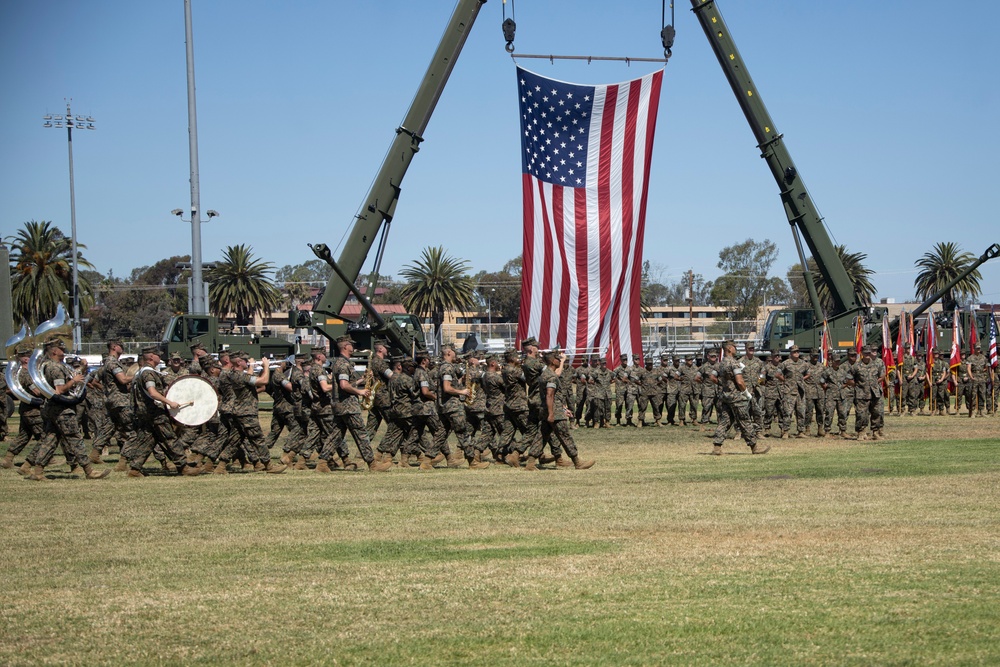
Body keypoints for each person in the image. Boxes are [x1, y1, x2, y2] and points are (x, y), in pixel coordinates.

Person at [122, 345, 199, 477]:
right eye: (158, 355)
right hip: (154, 412)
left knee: (147, 440)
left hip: (144, 413)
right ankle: (183, 466)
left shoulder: (140, 372)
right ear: (152, 357)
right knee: (169, 438)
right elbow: (152, 392)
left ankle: (135, 469)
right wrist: (169, 402)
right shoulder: (148, 373)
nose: (160, 357)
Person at [526, 349, 595, 470]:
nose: (560, 360)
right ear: (553, 361)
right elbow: (550, 395)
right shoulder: (551, 376)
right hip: (554, 412)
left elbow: (552, 396)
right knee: (565, 436)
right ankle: (577, 462)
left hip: (548, 410)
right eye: (558, 359)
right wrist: (552, 413)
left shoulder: (544, 375)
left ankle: (530, 463)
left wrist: (563, 409)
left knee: (541, 436)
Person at [329, 335, 384, 471]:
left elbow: (346, 384)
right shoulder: (343, 364)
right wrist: (360, 392)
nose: (353, 347)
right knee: (361, 433)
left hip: (340, 405)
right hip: (348, 406)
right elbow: (344, 385)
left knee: (336, 436)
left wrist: (362, 380)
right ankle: (372, 463)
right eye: (351, 345)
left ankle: (322, 463)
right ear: (345, 347)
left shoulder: (339, 362)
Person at [710, 340, 769, 456]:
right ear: (729, 349)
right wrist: (746, 393)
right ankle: (754, 447)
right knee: (745, 421)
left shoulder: (721, 363)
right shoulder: (735, 363)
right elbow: (740, 381)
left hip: (726, 396)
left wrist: (724, 385)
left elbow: (712, 376)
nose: (736, 349)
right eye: (734, 347)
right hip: (737, 397)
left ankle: (717, 447)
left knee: (724, 421)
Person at [849, 345, 886, 441]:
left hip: (875, 393)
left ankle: (875, 432)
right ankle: (861, 432)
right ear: (861, 353)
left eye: (869, 353)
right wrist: (857, 385)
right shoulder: (856, 366)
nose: (867, 355)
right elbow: (849, 378)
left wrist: (875, 383)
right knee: (861, 414)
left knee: (877, 413)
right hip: (861, 394)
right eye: (865, 353)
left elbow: (882, 375)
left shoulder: (876, 364)